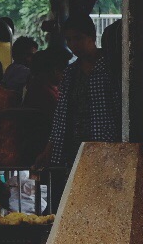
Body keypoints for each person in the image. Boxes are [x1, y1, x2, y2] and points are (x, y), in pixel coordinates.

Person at [40, 15, 121, 191]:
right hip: (74, 147)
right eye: (69, 39)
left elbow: (119, 109)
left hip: (106, 145)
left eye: (78, 38)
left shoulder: (110, 68)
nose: (73, 44)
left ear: (92, 36)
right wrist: (49, 148)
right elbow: (61, 114)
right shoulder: (70, 73)